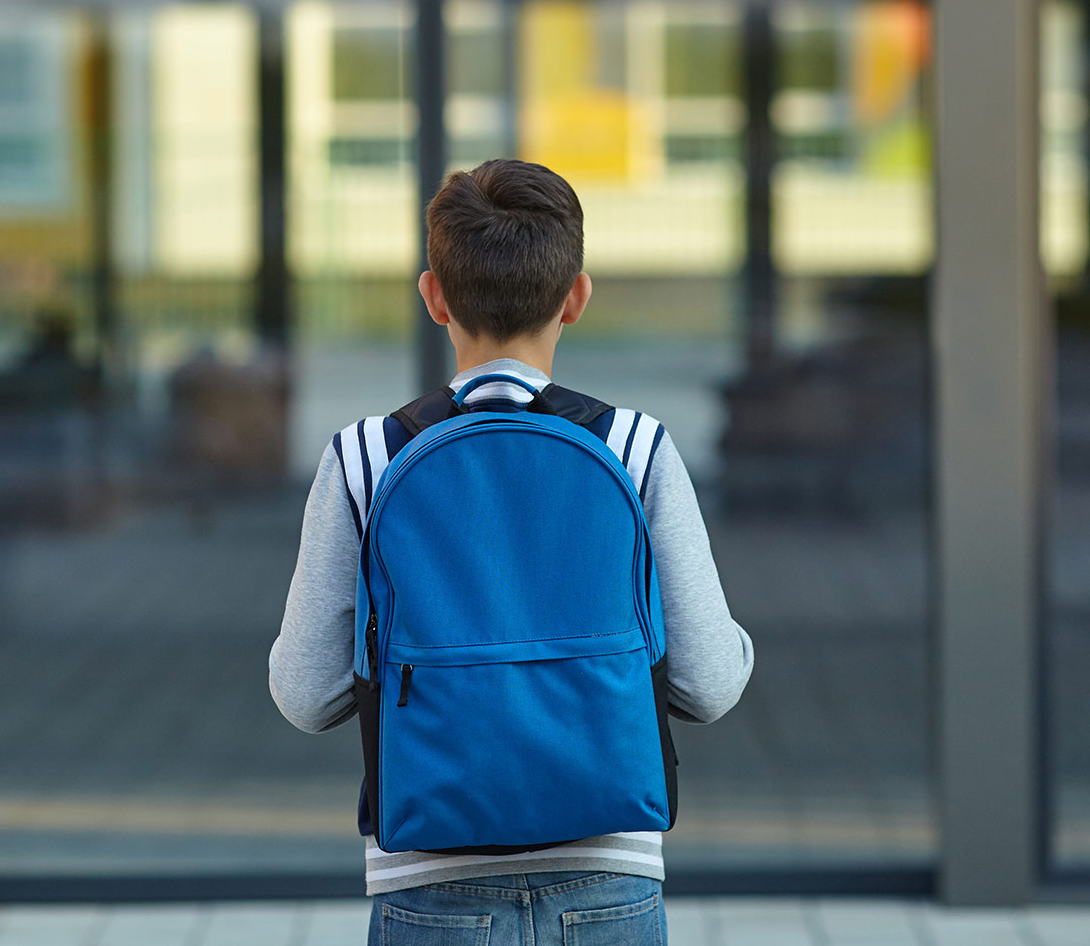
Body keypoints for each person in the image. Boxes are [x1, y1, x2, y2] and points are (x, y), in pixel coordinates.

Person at [269, 158, 754, 946]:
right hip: (611, 875)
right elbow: (709, 684)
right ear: (577, 297)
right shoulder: (636, 449)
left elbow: (305, 694)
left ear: (433, 295)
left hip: (428, 880)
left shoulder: (363, 457)